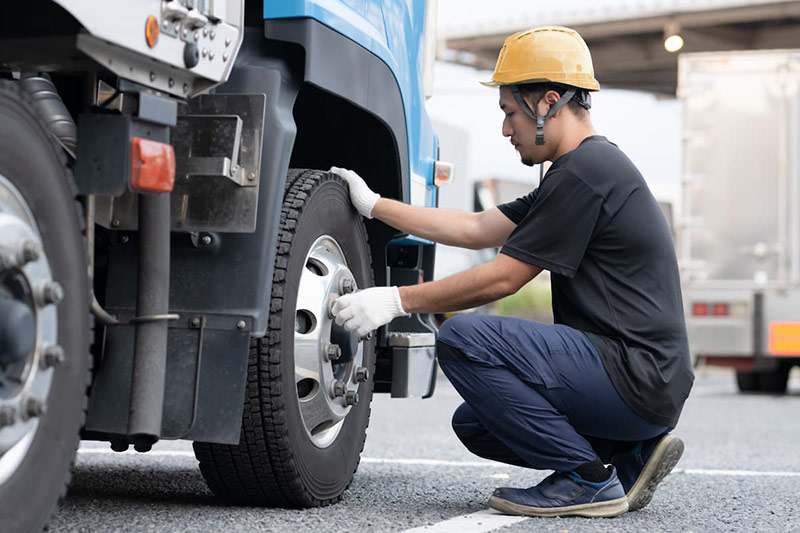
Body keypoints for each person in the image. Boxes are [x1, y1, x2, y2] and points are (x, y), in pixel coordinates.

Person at [330, 25, 694, 518]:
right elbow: (478, 227)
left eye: (509, 113)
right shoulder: (578, 171)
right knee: (476, 424)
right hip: (642, 378)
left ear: (547, 102)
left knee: (463, 338)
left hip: (634, 374)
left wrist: (394, 301)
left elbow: (504, 278)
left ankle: (587, 480)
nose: (505, 130)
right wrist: (375, 205)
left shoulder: (585, 174)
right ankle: (623, 451)